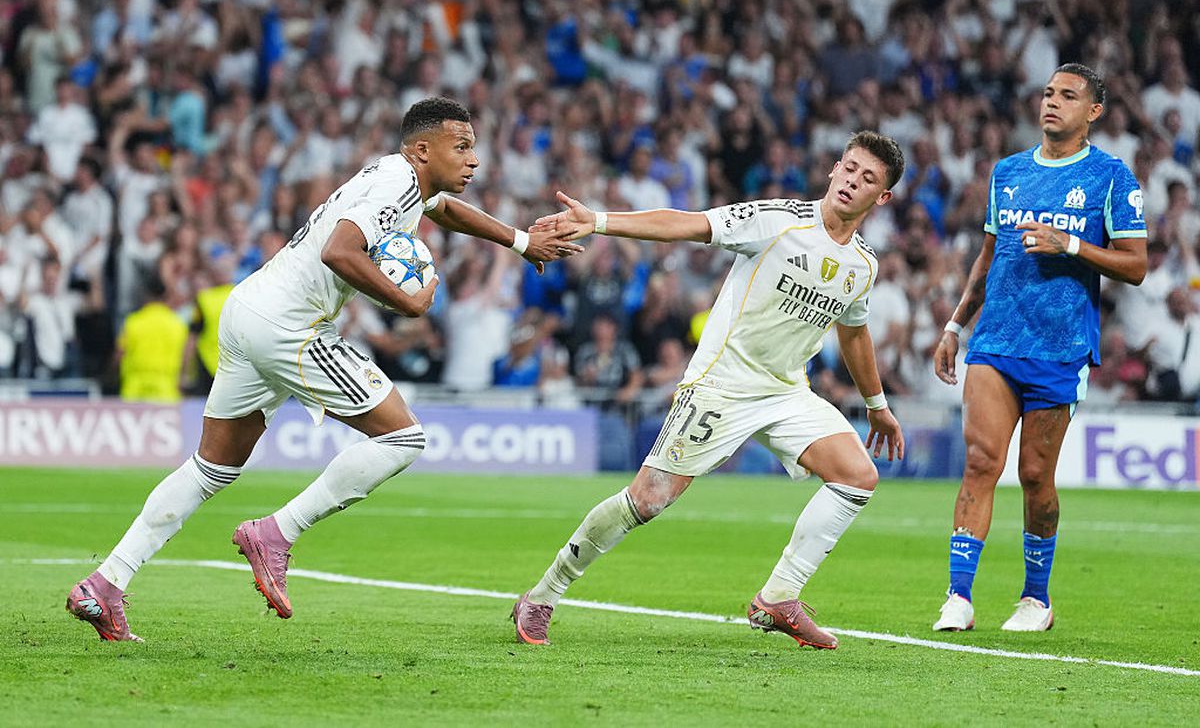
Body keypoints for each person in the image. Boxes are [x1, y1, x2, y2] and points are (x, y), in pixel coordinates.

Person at [66, 97, 583, 641]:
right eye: (462, 147)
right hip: (290, 327)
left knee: (211, 468)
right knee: (403, 438)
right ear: (422, 149)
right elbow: (340, 250)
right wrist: (408, 304)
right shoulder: (396, 185)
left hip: (249, 310)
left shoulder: (401, 179)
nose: (474, 159)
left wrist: (521, 241)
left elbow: (445, 210)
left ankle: (105, 583)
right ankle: (275, 533)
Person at [512, 131, 907, 649]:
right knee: (647, 501)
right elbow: (688, 224)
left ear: (882, 197)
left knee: (857, 476)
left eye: (868, 178)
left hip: (785, 391)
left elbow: (854, 333)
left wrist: (877, 406)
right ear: (834, 169)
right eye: (849, 168)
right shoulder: (778, 220)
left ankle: (778, 598)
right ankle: (543, 594)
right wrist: (600, 221)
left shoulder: (863, 265)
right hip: (721, 385)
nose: (853, 181)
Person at [931, 64, 1147, 633]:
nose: (1052, 102)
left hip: (1060, 346)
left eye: (1068, 96)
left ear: (1093, 111)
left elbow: (1136, 265)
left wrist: (1070, 244)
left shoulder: (1110, 177)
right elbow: (988, 257)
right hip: (995, 339)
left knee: (1034, 476)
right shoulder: (1008, 172)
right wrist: (955, 325)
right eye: (1048, 93)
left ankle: (1035, 599)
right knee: (981, 461)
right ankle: (958, 596)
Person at [116, 273, 187, 401]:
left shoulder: (133, 321)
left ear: (145, 295)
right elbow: (185, 357)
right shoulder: (177, 324)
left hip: (134, 390)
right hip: (166, 390)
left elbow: (120, 354)